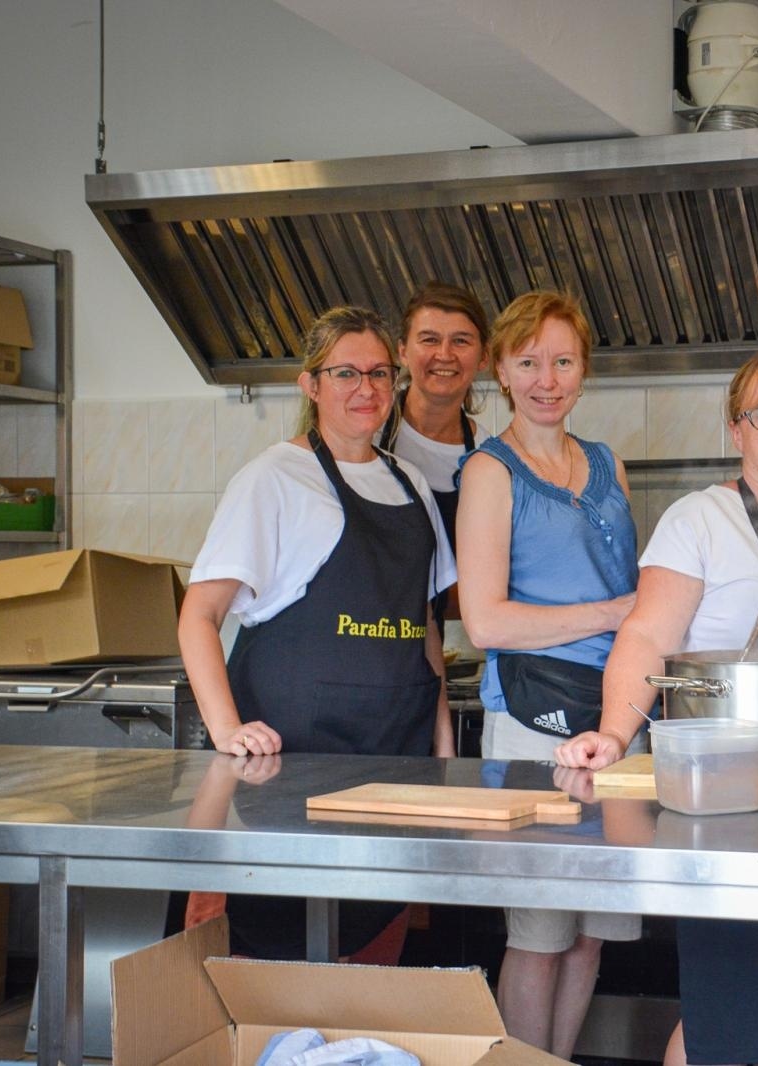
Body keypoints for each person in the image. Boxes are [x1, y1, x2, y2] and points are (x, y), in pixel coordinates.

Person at [556, 348, 758, 1066]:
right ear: (736, 429)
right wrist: (613, 733)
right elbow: (648, 634)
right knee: (734, 997)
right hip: (727, 794)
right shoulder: (700, 518)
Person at [178, 305, 456, 959]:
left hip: (394, 763)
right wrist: (226, 729)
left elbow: (422, 624)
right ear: (311, 385)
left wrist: (440, 726)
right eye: (347, 374)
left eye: (382, 374)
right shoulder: (275, 477)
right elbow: (199, 614)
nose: (367, 390)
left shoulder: (408, 481)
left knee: (369, 960)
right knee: (275, 967)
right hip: (292, 770)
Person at [454, 290, 640, 1058]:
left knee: (592, 935)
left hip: (618, 723)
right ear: (502, 368)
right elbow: (485, 622)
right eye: (529, 361)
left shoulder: (607, 464)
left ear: (583, 370)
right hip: (532, 726)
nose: (546, 378)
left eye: (562, 361)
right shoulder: (489, 473)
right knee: (538, 934)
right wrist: (614, 612)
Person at [379, 282, 491, 627]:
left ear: (484, 356)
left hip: (434, 641)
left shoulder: (491, 459)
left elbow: (490, 578)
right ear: (402, 351)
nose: (444, 354)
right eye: (429, 339)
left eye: (461, 340)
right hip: (358, 631)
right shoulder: (366, 436)